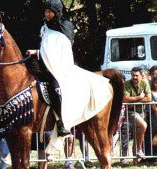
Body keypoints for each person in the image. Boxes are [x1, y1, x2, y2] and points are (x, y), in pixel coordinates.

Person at [26, 0, 112, 138]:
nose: (47, 14)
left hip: (59, 66)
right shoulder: (45, 27)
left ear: (57, 12)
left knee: (55, 87)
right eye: (46, 11)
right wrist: (36, 52)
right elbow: (46, 47)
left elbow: (60, 50)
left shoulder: (64, 28)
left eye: (50, 12)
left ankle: (61, 122)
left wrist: (41, 53)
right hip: (45, 63)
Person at [122, 67, 151, 164]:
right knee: (143, 125)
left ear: (141, 76)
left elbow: (149, 98)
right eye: (133, 75)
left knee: (137, 134)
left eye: (136, 75)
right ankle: (139, 150)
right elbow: (125, 99)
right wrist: (139, 97)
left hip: (142, 112)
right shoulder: (126, 84)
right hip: (130, 112)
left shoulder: (144, 83)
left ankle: (135, 160)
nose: (134, 77)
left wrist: (133, 99)